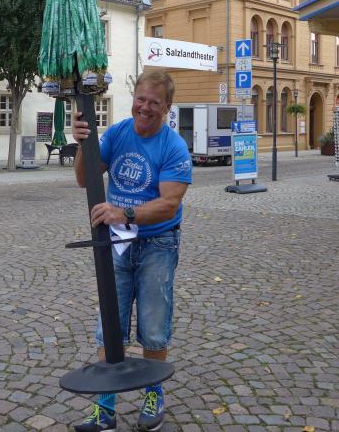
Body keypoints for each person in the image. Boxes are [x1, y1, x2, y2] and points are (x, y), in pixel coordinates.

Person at [72, 69, 192, 432]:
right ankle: (105, 406)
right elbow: (84, 178)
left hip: (158, 243)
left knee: (154, 326)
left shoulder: (174, 146)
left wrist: (123, 212)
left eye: (155, 102)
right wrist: (83, 144)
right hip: (116, 243)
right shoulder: (117, 133)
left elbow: (169, 205)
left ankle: (153, 394)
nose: (145, 107)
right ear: (133, 99)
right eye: (141, 99)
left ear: (167, 107)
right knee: (109, 325)